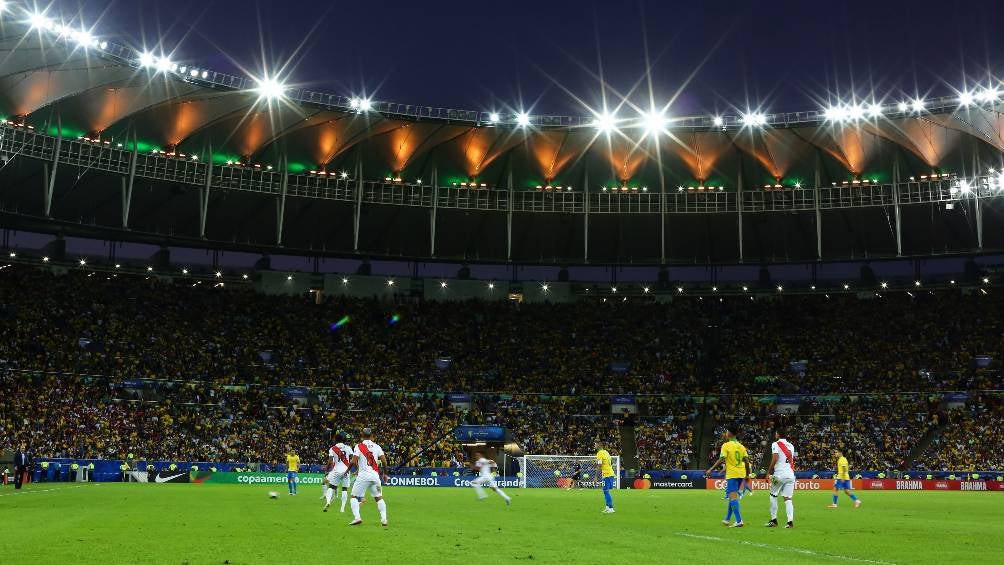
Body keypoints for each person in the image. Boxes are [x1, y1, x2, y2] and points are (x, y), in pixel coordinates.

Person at [705, 426, 751, 528]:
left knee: (733, 497)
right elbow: (747, 462)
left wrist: (710, 469)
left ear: (730, 433)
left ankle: (739, 520)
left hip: (732, 474)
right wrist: (747, 475)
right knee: (732, 496)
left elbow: (721, 459)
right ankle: (727, 519)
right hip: (741, 474)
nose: (725, 433)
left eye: (726, 431)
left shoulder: (726, 445)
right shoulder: (741, 446)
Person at [348, 427, 389, 527]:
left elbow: (353, 461)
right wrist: (385, 474)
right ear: (371, 436)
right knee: (379, 498)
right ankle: (384, 519)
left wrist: (347, 471)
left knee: (353, 497)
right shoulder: (377, 447)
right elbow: (384, 461)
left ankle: (357, 517)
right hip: (375, 476)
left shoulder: (359, 446)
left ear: (362, 436)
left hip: (363, 476)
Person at [765, 428, 796, 528]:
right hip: (790, 475)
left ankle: (774, 520)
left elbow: (775, 458)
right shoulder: (791, 446)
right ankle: (790, 522)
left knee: (773, 495)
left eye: (776, 433)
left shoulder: (775, 444)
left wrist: (768, 471)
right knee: (788, 499)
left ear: (778, 434)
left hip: (778, 475)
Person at [324, 433, 353, 513]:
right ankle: (342, 508)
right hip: (346, 470)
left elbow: (330, 461)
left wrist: (326, 470)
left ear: (335, 439)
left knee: (331, 487)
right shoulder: (348, 448)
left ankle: (328, 502)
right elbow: (352, 460)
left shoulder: (332, 449)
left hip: (336, 470)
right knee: (344, 489)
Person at [595, 440, 615, 514]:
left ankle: (611, 508)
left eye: (595, 444)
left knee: (606, 491)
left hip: (606, 474)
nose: (594, 445)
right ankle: (607, 507)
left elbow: (599, 465)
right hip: (610, 473)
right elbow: (611, 462)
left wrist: (596, 476)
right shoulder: (606, 452)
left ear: (599, 445)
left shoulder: (599, 453)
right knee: (605, 491)